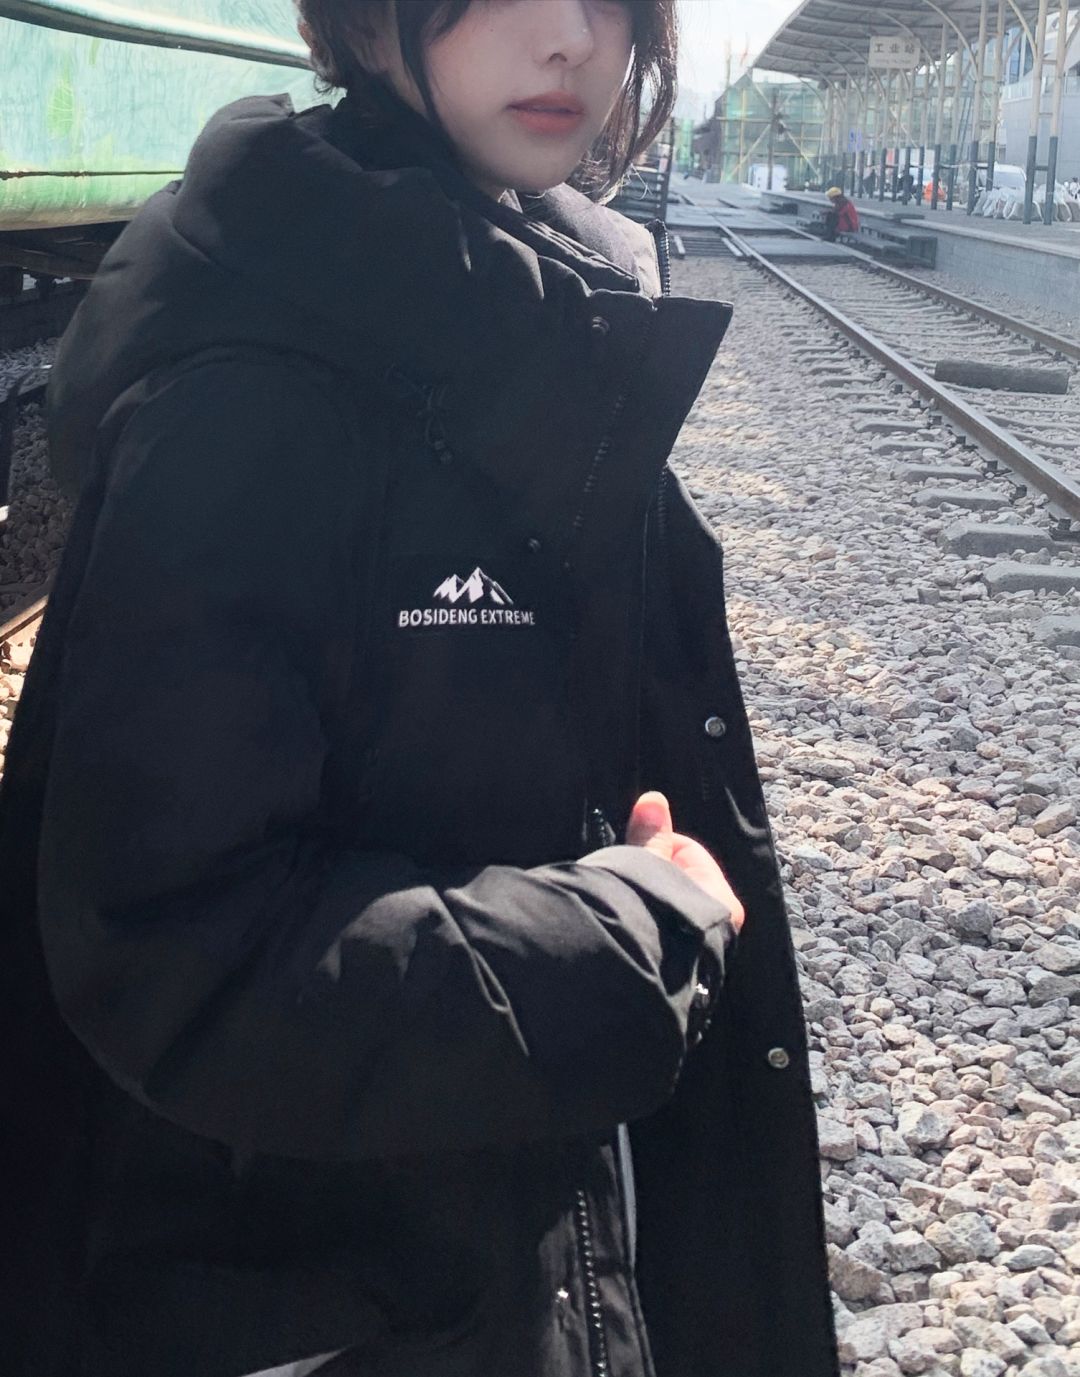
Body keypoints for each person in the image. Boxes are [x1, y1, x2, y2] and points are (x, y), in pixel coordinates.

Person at [0, 3, 838, 1376]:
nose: (570, 36)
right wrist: (626, 943)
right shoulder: (251, 399)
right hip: (323, 1305)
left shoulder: (536, 311)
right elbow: (173, 947)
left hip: (488, 1264)